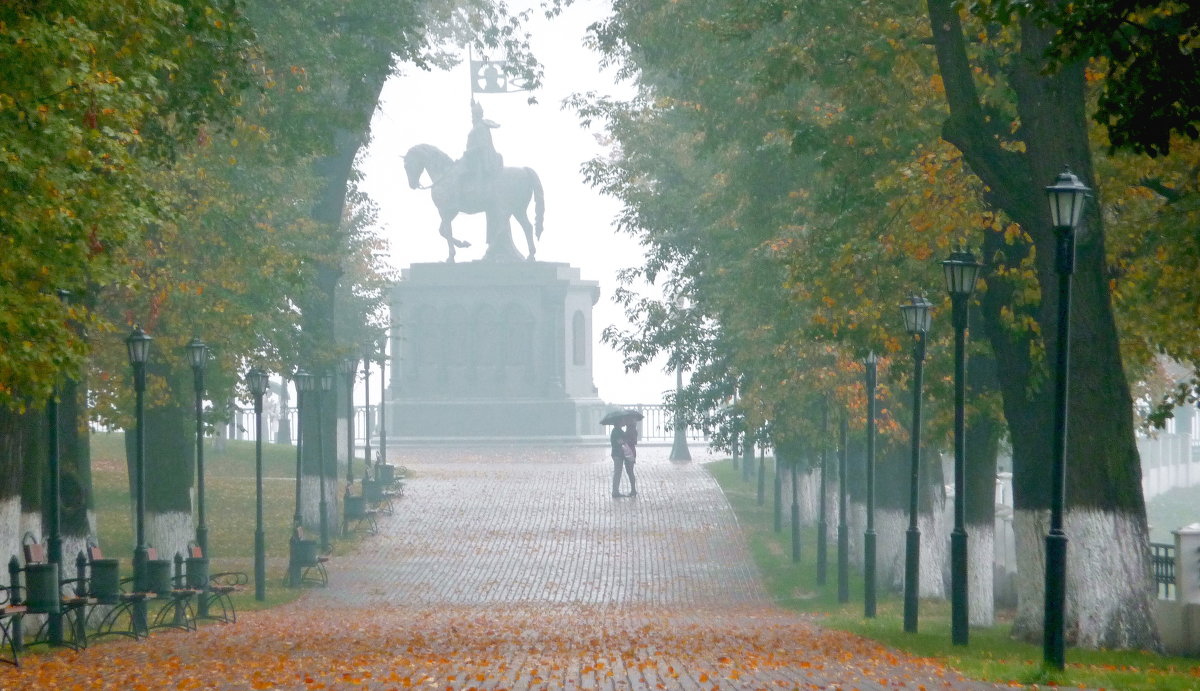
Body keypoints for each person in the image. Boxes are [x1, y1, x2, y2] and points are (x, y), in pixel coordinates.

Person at [461, 100, 502, 198]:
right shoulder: (478, 126)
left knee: (470, 168)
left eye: (473, 115)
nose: (471, 117)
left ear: (477, 115)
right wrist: (472, 106)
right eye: (472, 114)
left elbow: (481, 146)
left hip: (482, 157)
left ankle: (477, 189)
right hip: (474, 156)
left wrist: (468, 152)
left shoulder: (480, 127)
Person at [610, 420, 638, 498]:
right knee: (619, 472)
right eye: (622, 421)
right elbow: (620, 442)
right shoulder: (618, 431)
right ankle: (616, 491)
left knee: (627, 471)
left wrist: (625, 441)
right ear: (618, 423)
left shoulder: (626, 430)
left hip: (627, 453)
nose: (624, 422)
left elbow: (632, 441)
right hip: (620, 454)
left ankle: (632, 490)